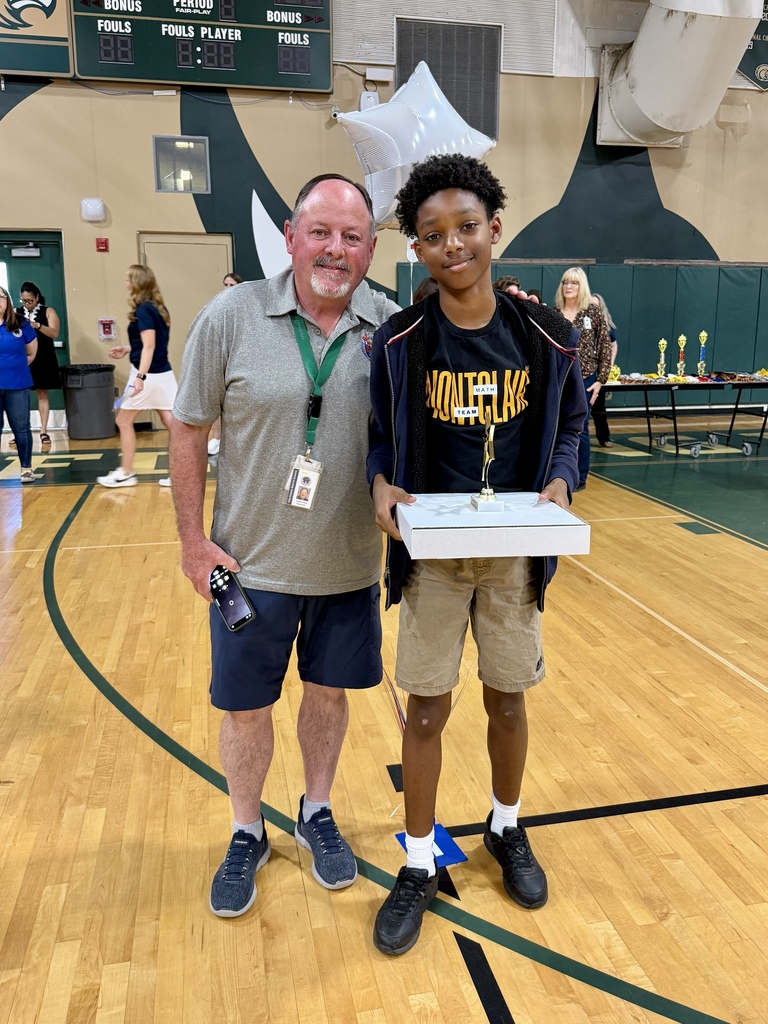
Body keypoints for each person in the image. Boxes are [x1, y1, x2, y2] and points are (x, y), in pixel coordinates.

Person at [367, 154, 587, 956]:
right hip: (431, 557)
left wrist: (560, 481)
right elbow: (380, 438)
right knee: (426, 708)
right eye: (433, 235)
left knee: (509, 699)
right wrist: (381, 486)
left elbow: (570, 428)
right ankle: (418, 859)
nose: (452, 244)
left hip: (512, 554)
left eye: (466, 227)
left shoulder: (547, 334)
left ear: (494, 229)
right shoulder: (399, 340)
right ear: (416, 248)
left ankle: (506, 825)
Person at [169, 173, 399, 919]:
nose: (336, 249)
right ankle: (247, 830)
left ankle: (316, 811)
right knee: (246, 710)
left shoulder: (391, 329)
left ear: (370, 249)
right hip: (248, 568)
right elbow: (187, 429)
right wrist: (193, 543)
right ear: (292, 238)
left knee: (328, 697)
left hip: (348, 566)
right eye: (321, 232)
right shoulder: (231, 316)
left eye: (352, 237)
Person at [96, 265, 177, 488]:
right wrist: (127, 348)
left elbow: (149, 346)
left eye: (128, 279)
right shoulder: (158, 308)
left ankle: (126, 472)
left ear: (137, 283)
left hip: (148, 374)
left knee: (123, 420)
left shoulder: (143, 310)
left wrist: (140, 377)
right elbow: (150, 344)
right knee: (173, 425)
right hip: (164, 373)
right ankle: (180, 474)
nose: (125, 283)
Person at [553, 267, 611, 490]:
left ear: (582, 286)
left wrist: (600, 380)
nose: (568, 286)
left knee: (580, 426)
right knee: (556, 425)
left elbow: (605, 345)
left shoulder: (592, 313)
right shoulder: (554, 313)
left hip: (586, 377)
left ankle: (579, 477)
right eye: (565, 282)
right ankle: (557, 473)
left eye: (574, 283)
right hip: (559, 376)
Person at [14, 282, 61, 452]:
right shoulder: (16, 312)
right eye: (24, 300)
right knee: (19, 395)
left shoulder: (48, 311)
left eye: (30, 300)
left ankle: (43, 430)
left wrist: (37, 325)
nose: (26, 303)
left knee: (42, 393)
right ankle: (20, 431)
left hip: (44, 356)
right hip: (23, 357)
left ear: (37, 297)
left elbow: (54, 333)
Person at [0, 285, 38, 483]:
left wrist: (15, 368)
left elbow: (31, 353)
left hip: (18, 385)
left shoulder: (21, 323)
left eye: (1, 297)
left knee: (21, 428)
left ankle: (26, 468)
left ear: (7, 300)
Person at [208, 273, 244, 456]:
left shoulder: (246, 309)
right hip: (221, 362)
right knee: (215, 401)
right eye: (226, 284)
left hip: (238, 363)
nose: (228, 288)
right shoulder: (217, 308)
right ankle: (216, 438)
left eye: (232, 285)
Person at [589, 293, 618, 447]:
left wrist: (609, 364)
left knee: (599, 406)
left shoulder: (606, 326)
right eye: (591, 305)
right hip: (585, 371)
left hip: (599, 373)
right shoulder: (582, 323)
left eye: (596, 306)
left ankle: (604, 437)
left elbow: (613, 345)